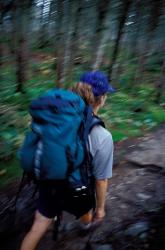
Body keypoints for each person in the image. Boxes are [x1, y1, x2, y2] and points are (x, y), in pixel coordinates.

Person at [20, 71, 114, 250]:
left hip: (50, 181)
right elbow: (101, 180)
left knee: (37, 227)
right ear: (101, 98)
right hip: (77, 188)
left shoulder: (57, 119)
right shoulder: (103, 136)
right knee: (85, 207)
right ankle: (86, 225)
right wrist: (100, 209)